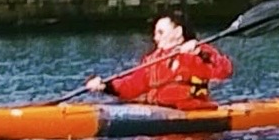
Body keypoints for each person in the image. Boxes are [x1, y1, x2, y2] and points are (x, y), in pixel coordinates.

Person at [85, 14, 234, 109]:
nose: (155, 38)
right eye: (155, 33)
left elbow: (224, 71)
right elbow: (132, 86)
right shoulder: (153, 59)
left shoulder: (199, 52)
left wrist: (201, 53)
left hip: (191, 115)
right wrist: (106, 86)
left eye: (160, 32)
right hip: (160, 111)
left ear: (178, 33)